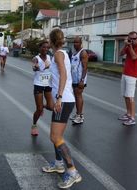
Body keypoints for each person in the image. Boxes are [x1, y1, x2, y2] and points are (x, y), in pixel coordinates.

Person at [41, 28, 82, 189]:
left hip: (63, 100)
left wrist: (57, 98)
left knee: (55, 137)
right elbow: (56, 74)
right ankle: (58, 164)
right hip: (65, 99)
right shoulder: (60, 54)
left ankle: (73, 172)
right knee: (56, 136)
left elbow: (64, 75)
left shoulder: (58, 54)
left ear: (51, 40)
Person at [119, 31, 137, 126]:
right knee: (125, 95)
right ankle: (128, 113)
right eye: (130, 39)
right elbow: (120, 54)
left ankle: (132, 118)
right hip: (125, 73)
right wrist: (125, 45)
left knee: (130, 97)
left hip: (132, 75)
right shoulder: (128, 45)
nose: (132, 40)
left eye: (134, 39)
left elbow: (134, 57)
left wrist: (129, 47)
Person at [31, 41, 53, 136]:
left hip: (48, 84)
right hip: (38, 84)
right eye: (43, 47)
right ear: (40, 48)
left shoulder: (49, 57)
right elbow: (34, 68)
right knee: (39, 109)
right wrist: (40, 67)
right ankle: (34, 125)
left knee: (51, 107)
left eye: (47, 48)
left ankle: (42, 106)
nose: (46, 49)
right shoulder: (36, 58)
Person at [69, 36, 88, 124]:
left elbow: (85, 68)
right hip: (74, 79)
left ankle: (79, 116)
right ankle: (78, 114)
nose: (75, 44)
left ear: (81, 43)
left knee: (78, 96)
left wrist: (82, 80)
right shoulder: (74, 52)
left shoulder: (83, 53)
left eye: (77, 42)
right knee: (76, 96)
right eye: (74, 42)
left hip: (80, 79)